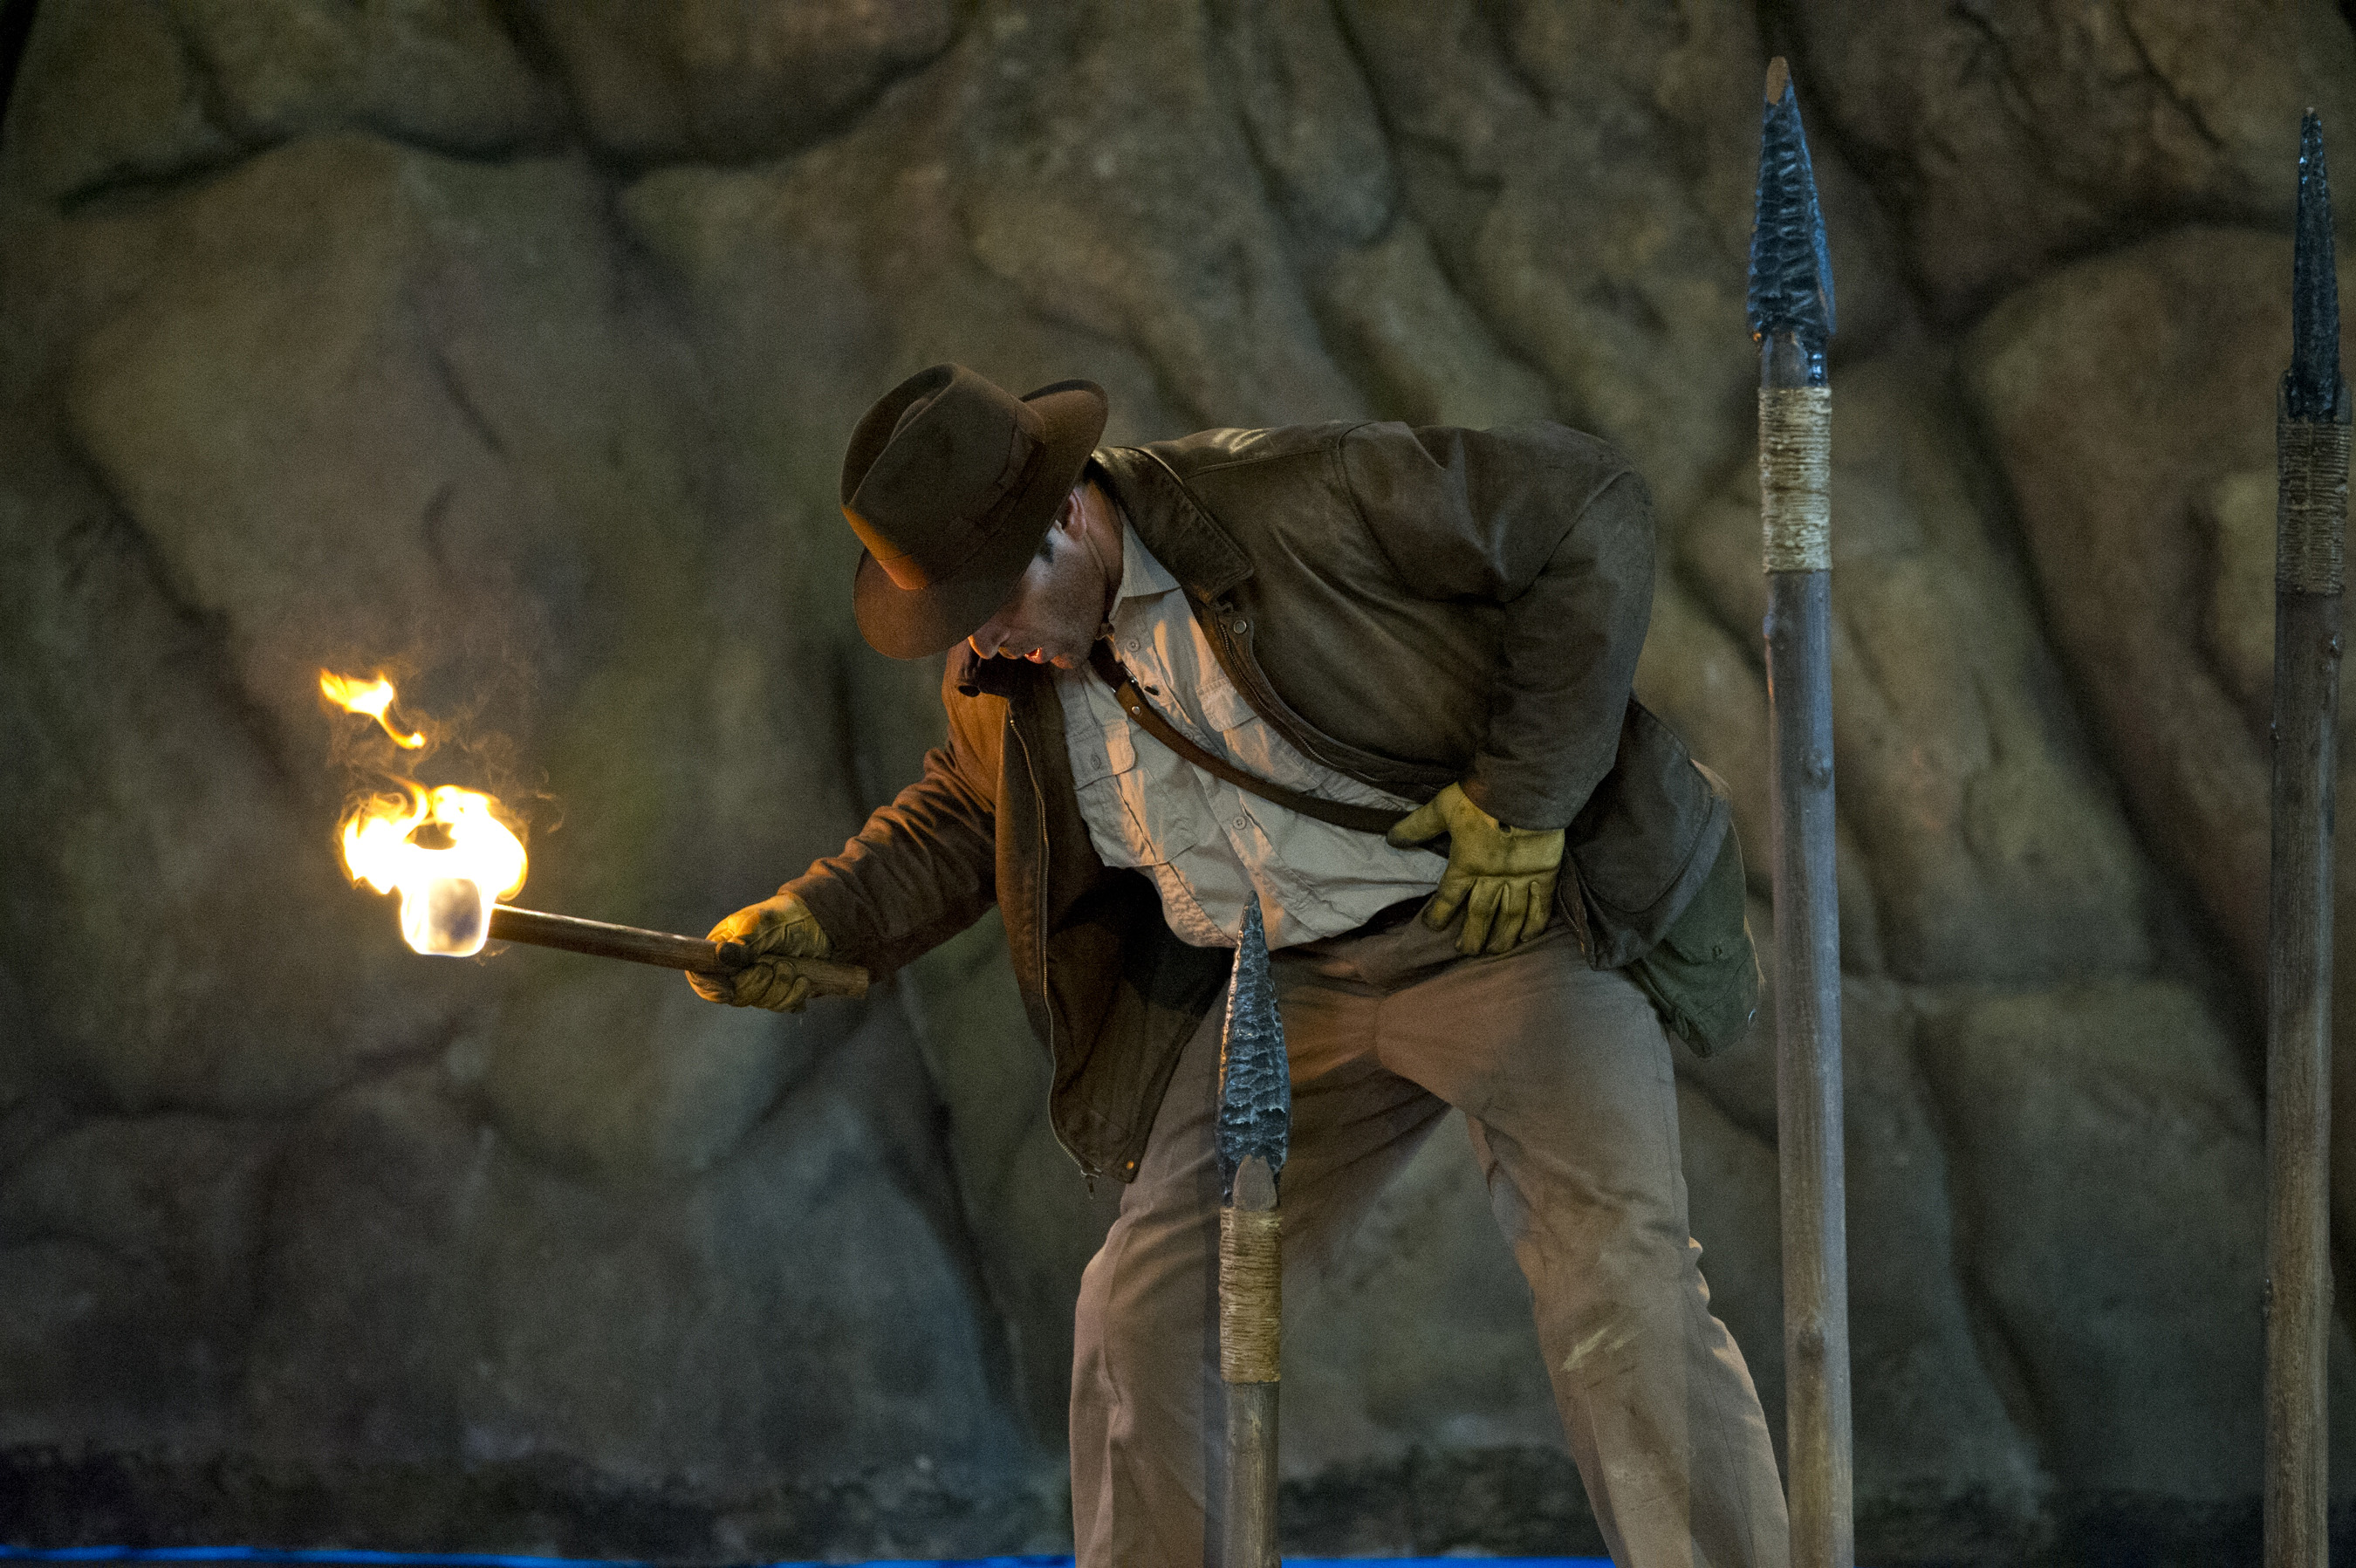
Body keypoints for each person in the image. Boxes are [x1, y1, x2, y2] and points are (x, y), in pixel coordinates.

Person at [690, 363, 1787, 1567]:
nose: (980, 639)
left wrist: (1525, 800)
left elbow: (1589, 509)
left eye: (989, 597)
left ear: (1066, 515)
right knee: (1146, 1311)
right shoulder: (1008, 675)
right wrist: (818, 918)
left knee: (1616, 1296)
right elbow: (967, 812)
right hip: (1287, 995)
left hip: (1501, 935)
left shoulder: (1297, 503)